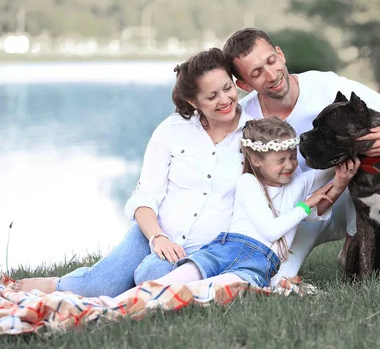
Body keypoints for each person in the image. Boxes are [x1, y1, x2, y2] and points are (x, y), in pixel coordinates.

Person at [15, 48, 254, 297]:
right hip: (152, 234)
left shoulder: (253, 135)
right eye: (212, 96)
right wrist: (157, 238)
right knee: (95, 288)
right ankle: (60, 284)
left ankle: (135, 278)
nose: (225, 100)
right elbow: (145, 197)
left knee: (151, 275)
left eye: (227, 88)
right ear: (194, 102)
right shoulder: (172, 130)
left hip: (206, 253)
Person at [222, 27, 380, 285]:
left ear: (280, 54)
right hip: (289, 214)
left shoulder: (326, 86)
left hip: (342, 203)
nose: (271, 75)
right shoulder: (245, 118)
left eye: (271, 61)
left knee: (361, 175)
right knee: (276, 278)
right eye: (257, 73)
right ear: (244, 85)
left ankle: (353, 250)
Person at [102, 117, 359, 305]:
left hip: (258, 264)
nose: (290, 165)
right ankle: (105, 307)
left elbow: (335, 164)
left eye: (292, 157)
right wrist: (306, 204)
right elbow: (270, 230)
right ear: (256, 160)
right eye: (280, 160)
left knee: (201, 293)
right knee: (163, 285)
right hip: (226, 249)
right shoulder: (248, 182)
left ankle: (121, 309)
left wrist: (344, 174)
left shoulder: (298, 183)